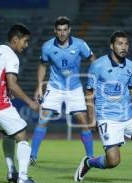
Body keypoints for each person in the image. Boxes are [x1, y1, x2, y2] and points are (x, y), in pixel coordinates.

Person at [74, 31, 132, 182]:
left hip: (128, 116)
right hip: (108, 119)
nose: (124, 47)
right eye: (120, 43)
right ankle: (89, 162)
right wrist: (92, 118)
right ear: (111, 46)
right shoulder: (98, 66)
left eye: (126, 43)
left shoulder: (130, 66)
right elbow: (89, 93)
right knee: (113, 161)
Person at [30, 16, 96, 165]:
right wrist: (40, 86)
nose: (62, 33)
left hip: (74, 88)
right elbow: (42, 65)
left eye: (65, 30)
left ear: (69, 30)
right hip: (55, 87)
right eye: (59, 30)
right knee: (43, 119)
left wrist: (94, 78)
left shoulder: (80, 44)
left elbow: (93, 59)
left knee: (83, 122)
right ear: (55, 30)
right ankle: (32, 156)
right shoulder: (47, 46)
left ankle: (90, 158)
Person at [0, 23, 39, 183]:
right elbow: (12, 84)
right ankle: (23, 177)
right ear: (15, 39)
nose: (26, 45)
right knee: (21, 134)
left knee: (8, 133)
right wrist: (30, 102)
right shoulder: (11, 56)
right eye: (25, 41)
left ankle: (12, 172)